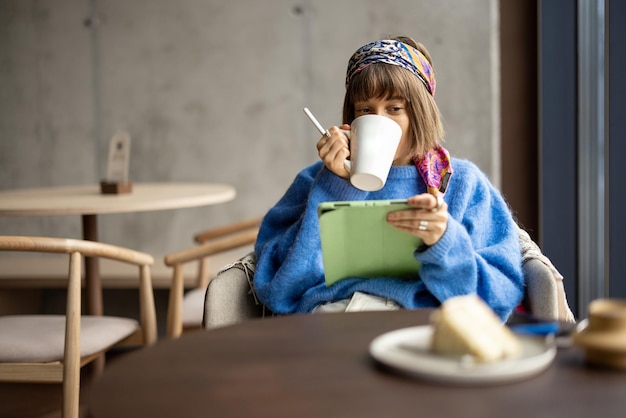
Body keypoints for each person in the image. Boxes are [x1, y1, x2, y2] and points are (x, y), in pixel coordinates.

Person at [253, 36, 524, 321]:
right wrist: (336, 186)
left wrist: (444, 243)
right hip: (332, 322)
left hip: (423, 323)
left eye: (395, 109)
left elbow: (499, 298)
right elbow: (278, 291)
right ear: (351, 118)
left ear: (420, 112)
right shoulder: (315, 181)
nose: (379, 120)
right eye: (365, 110)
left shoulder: (461, 183)